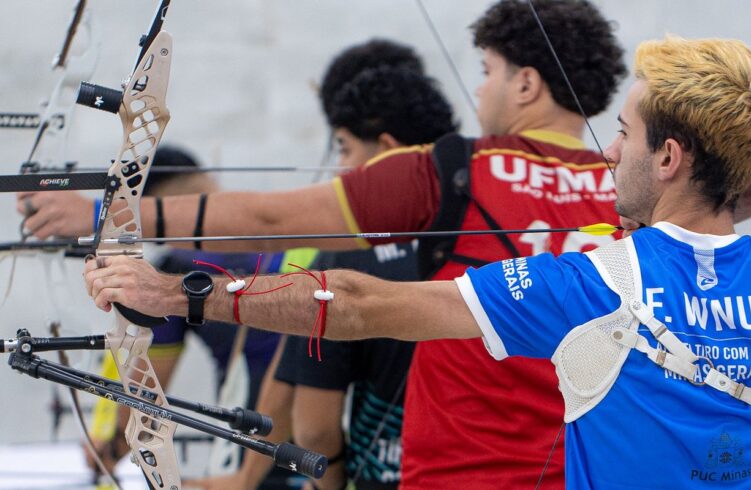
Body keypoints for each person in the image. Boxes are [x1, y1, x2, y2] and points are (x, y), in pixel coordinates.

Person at [84, 35, 751, 488]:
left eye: (625, 134)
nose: (609, 152)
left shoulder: (599, 283)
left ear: (669, 158)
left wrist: (179, 293)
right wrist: (729, 188)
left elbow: (360, 304)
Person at [24, 1, 629, 487]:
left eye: (487, 72)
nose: (478, 92)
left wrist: (106, 211)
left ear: (526, 83)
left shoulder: (456, 170)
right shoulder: (632, 190)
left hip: (455, 474)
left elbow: (270, 216)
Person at [189, 40, 457, 490]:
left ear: (386, 147)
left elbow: (311, 417)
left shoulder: (343, 247)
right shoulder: (493, 229)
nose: (337, 170)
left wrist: (253, 478)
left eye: (344, 148)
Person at [82, 145, 296, 489]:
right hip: (332, 420)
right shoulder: (294, 235)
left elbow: (147, 390)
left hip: (255, 438)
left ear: (155, 208)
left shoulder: (175, 268)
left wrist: (110, 450)